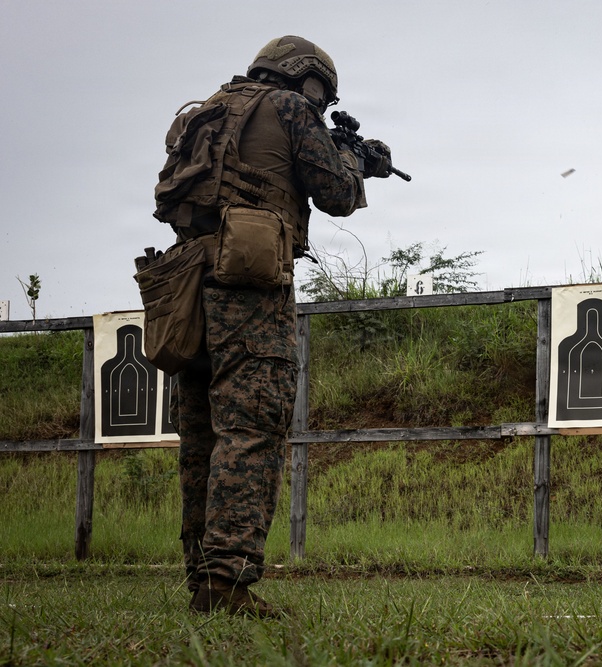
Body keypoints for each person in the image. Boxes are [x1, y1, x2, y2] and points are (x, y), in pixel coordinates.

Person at [151, 36, 388, 617]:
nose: (320, 103)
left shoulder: (207, 109)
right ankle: (226, 583)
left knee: (202, 433)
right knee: (253, 426)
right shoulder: (289, 110)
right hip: (248, 286)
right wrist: (358, 162)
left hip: (186, 285)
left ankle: (201, 577)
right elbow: (334, 193)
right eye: (321, 94)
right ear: (307, 80)